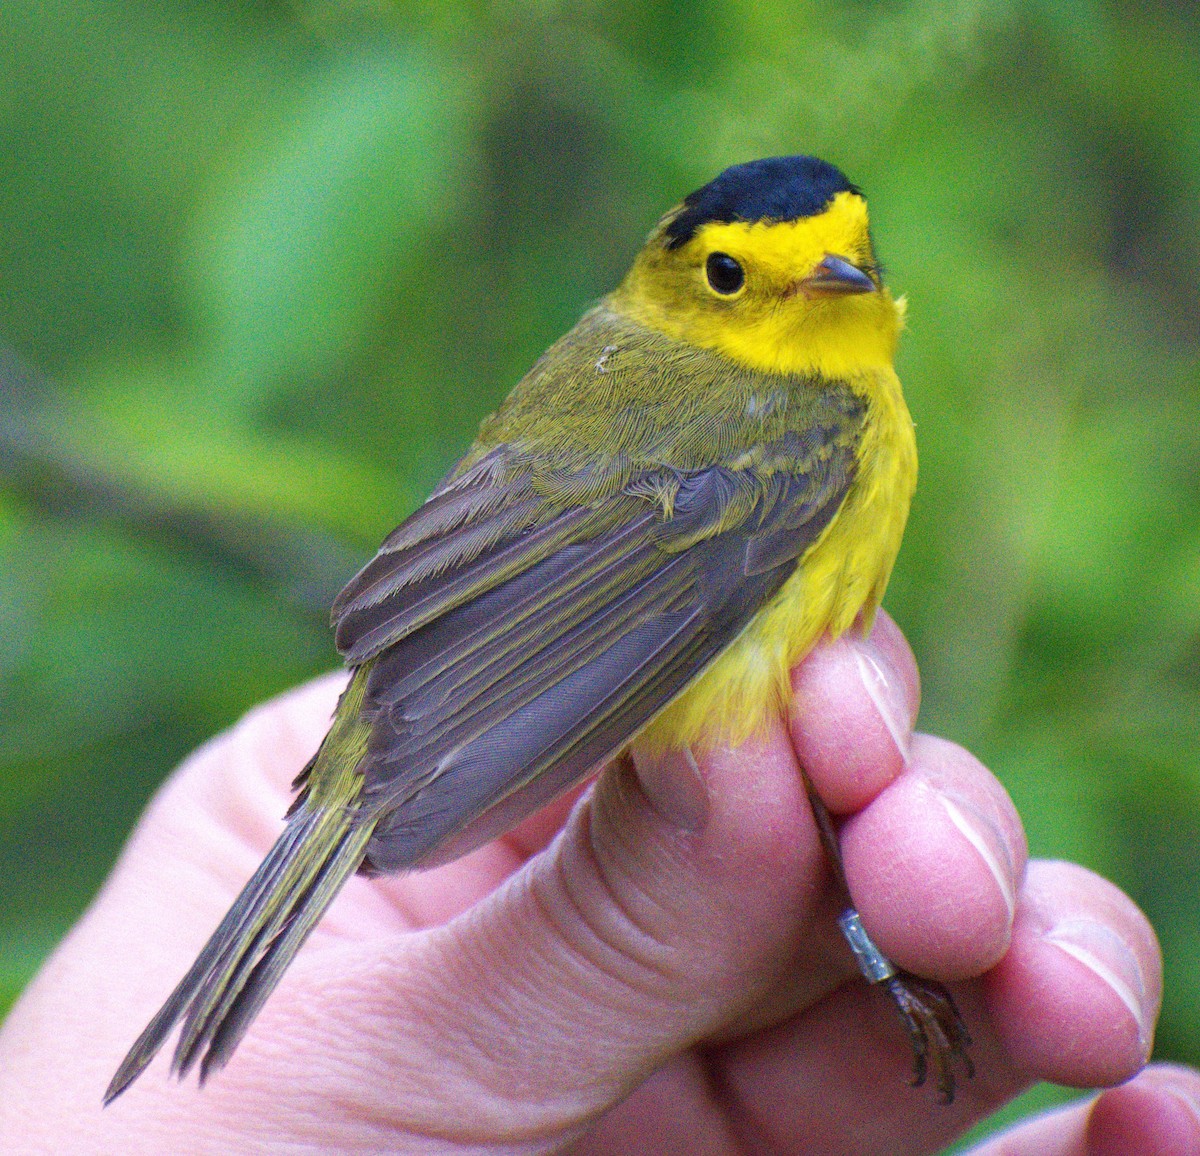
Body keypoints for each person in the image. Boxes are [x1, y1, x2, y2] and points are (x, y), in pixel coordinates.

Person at [0, 612, 1195, 1154]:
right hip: (506, 638)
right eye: (739, 271)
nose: (821, 285)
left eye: (853, 262)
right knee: (781, 796)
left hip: (468, 633)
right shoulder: (799, 416)